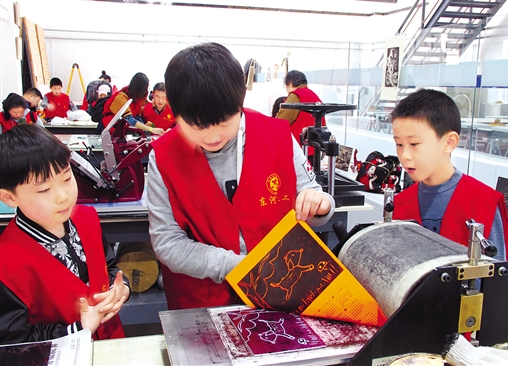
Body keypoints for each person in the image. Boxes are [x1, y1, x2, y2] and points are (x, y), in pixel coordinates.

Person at [147, 42, 335, 310]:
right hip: (201, 305)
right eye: (196, 127)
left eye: (224, 124)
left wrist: (320, 203)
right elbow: (167, 242)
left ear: (240, 103)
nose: (212, 137)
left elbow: (315, 199)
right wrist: (239, 266)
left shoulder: (277, 137)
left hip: (279, 295)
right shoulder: (163, 157)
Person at [0, 124, 129, 344]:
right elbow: (13, 339)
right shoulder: (7, 262)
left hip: (111, 342)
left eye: (67, 178)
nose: (63, 197)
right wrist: (79, 329)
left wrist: (122, 288)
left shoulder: (86, 218)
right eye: (44, 190)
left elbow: (108, 267)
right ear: (9, 198)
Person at [391, 89, 508, 278]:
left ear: (449, 142)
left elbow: (500, 281)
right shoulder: (400, 203)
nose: (405, 155)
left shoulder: (484, 203)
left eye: (414, 144)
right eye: (399, 144)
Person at [276, 70, 325, 160]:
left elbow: (281, 122)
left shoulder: (295, 96)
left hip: (298, 149)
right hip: (315, 150)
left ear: (290, 83)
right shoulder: (314, 96)